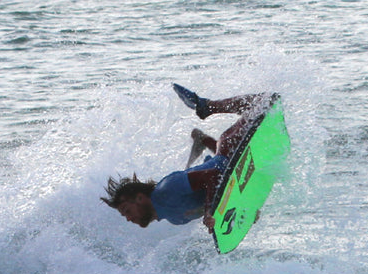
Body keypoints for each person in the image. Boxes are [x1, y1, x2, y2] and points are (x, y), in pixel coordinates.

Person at [101, 84, 277, 231]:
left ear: (140, 198)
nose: (128, 218)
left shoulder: (167, 189)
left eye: (127, 210)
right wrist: (245, 209)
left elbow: (213, 176)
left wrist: (210, 212)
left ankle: (208, 107)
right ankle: (203, 140)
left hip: (230, 153)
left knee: (265, 102)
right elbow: (221, 193)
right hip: (227, 168)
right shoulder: (175, 219)